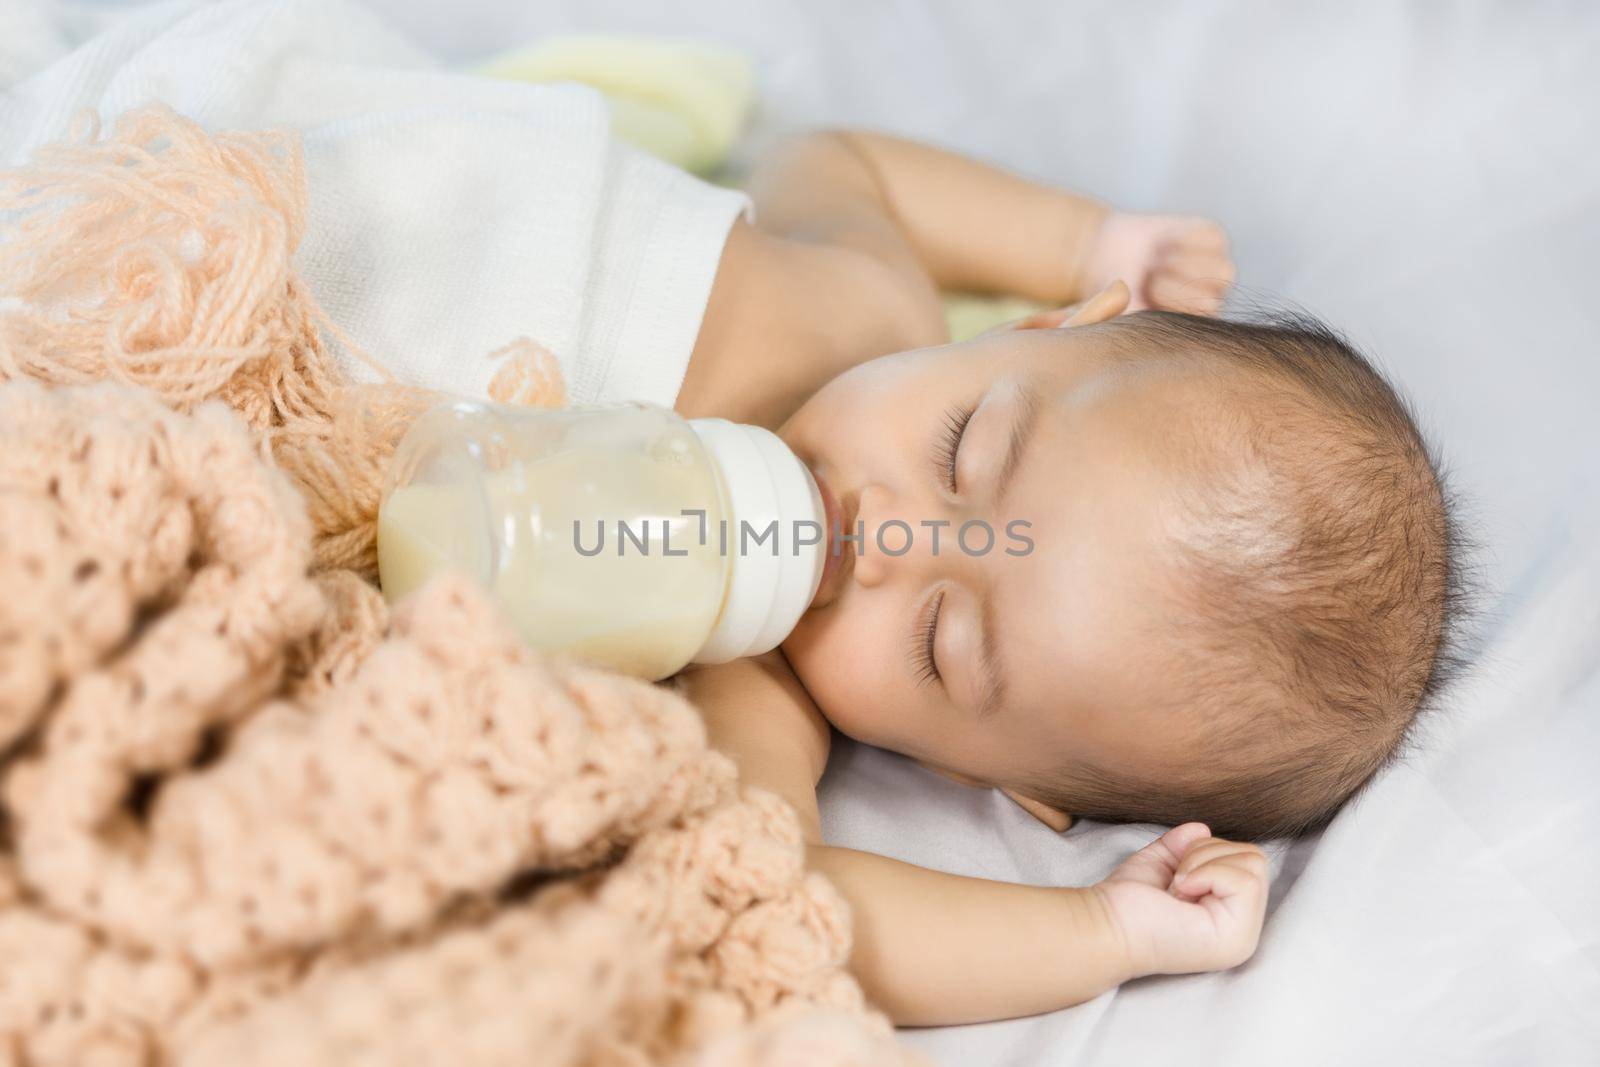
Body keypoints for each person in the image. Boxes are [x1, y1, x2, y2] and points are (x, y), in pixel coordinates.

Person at [670, 132, 1458, 1024]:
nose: (885, 536)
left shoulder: (745, 679)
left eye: (940, 645)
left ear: (974, 772)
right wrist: (1083, 239)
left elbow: (775, 905)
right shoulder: (864, 306)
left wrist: (1107, 927)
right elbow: (838, 166)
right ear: (1040, 328)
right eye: (959, 447)